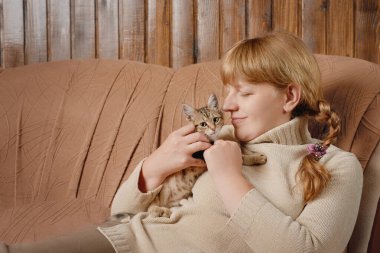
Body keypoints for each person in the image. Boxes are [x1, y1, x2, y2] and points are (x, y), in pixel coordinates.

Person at [1, 32, 363, 253]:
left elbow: (306, 250)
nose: (229, 103)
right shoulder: (216, 139)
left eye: (245, 92)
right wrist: (154, 167)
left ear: (289, 97)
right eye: (227, 91)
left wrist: (229, 177)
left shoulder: (335, 165)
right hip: (126, 243)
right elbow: (120, 215)